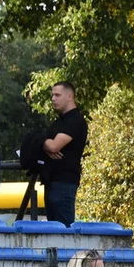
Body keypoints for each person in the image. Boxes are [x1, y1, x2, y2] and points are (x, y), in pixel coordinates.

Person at [41, 81, 88, 226]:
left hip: (64, 183)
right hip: (52, 181)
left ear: (69, 96)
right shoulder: (58, 122)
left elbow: (55, 146)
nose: (53, 99)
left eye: (57, 95)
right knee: (53, 229)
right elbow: (45, 141)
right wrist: (44, 143)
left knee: (63, 230)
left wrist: (45, 143)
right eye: (52, 95)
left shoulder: (75, 120)